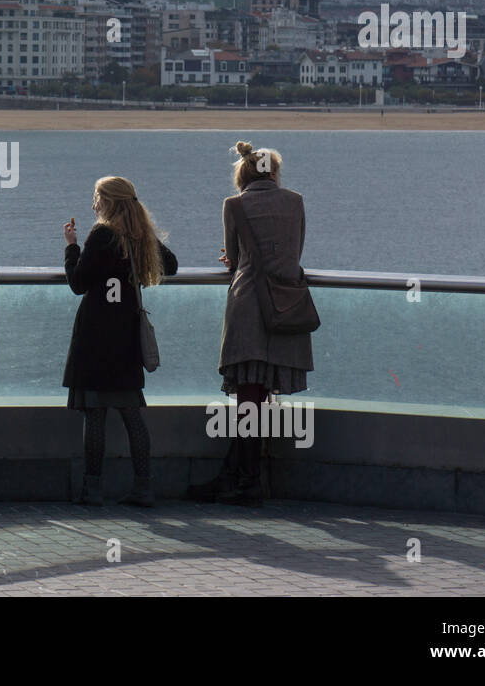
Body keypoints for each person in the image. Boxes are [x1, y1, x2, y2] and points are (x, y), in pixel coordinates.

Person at [188, 141, 314, 507]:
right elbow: (295, 252)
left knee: (248, 396)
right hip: (285, 303)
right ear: (274, 172)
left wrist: (237, 258)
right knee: (259, 398)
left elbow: (234, 261)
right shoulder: (296, 201)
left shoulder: (234, 205)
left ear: (242, 173)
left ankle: (245, 481)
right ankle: (243, 478)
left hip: (247, 307)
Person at [63, 176, 178, 507]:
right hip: (126, 338)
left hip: (95, 338)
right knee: (131, 413)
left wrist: (71, 246)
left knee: (95, 415)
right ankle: (144, 487)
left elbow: (78, 282)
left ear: (109, 202)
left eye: (96, 198)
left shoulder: (101, 235)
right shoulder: (138, 237)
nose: (93, 204)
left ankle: (92, 489)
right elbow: (170, 265)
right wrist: (148, 239)